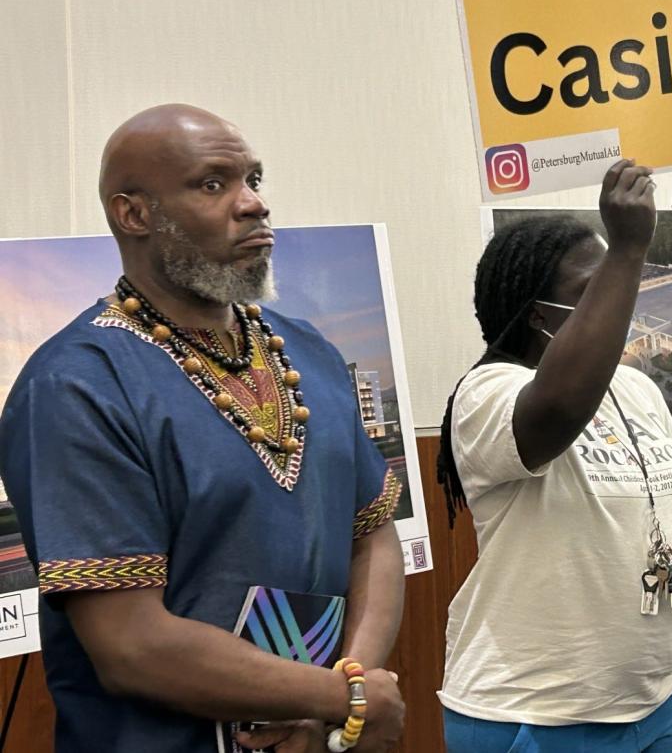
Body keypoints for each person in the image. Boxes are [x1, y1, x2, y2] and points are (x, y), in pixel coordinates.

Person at [0, 104, 406, 752]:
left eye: (254, 179)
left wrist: (340, 696)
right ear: (133, 213)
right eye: (214, 184)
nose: (253, 204)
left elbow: (373, 536)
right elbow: (131, 645)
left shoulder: (310, 353)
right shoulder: (76, 384)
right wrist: (339, 698)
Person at [436, 159, 672, 752]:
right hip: (537, 714)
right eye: (594, 287)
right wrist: (628, 250)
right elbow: (556, 410)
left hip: (655, 699)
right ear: (535, 313)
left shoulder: (638, 388)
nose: (619, 299)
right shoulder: (488, 393)